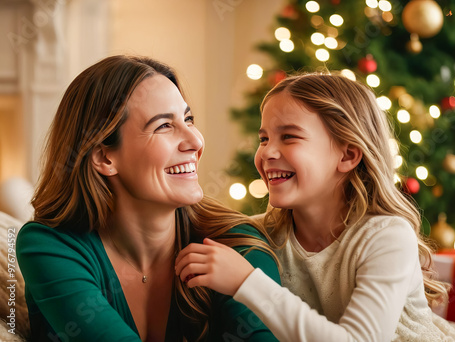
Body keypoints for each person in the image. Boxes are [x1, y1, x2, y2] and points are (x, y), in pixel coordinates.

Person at [175, 73, 455, 341]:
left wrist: (246, 282)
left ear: (348, 155)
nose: (267, 152)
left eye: (288, 136)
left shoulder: (387, 236)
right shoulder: (261, 236)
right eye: (264, 138)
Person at [16, 55, 280, 342]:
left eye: (188, 119)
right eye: (164, 126)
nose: (195, 141)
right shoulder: (49, 246)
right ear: (105, 157)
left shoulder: (237, 243)